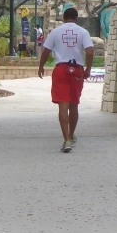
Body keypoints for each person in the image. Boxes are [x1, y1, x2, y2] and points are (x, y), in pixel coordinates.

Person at [37, 8, 94, 153]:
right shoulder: (83, 32)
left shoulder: (55, 32)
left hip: (61, 69)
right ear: (76, 18)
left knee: (63, 106)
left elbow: (46, 51)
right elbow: (90, 51)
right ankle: (71, 135)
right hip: (77, 70)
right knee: (74, 105)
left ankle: (66, 140)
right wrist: (88, 68)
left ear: (63, 18)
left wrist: (41, 66)